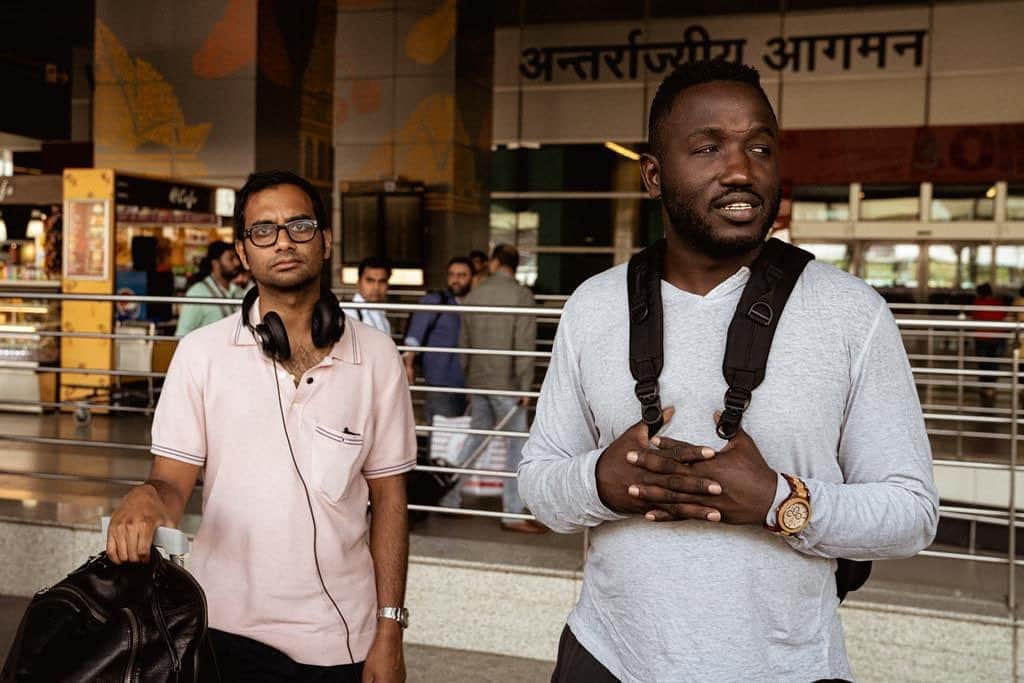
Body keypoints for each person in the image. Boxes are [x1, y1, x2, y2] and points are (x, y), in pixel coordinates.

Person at [519, 60, 939, 681]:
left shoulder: (853, 313)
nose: (741, 169)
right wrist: (598, 483)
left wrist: (779, 501)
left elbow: (911, 514)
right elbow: (539, 484)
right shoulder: (593, 304)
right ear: (654, 175)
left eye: (760, 146)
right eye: (708, 147)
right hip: (608, 658)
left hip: (790, 668)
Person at [106, 170, 414, 682]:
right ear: (244, 254)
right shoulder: (201, 355)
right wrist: (145, 496)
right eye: (263, 231)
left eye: (299, 225)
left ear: (326, 240)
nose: (283, 242)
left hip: (342, 635)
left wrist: (389, 630)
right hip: (222, 627)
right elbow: (171, 482)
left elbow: (389, 499)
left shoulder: (377, 356)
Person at [446, 244, 542, 533]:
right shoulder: (521, 296)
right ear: (514, 265)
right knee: (517, 447)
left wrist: (469, 378)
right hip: (507, 384)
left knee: (476, 441)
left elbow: (463, 345)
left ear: (495, 262)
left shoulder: (475, 295)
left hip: (479, 380)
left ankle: (449, 499)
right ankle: (512, 513)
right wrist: (526, 386)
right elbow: (524, 346)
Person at [402, 256, 474, 424]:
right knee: (442, 435)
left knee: (463, 437)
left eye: (462, 275)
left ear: (473, 278)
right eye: (452, 274)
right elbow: (414, 336)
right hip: (440, 382)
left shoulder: (476, 303)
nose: (456, 279)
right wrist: (408, 365)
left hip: (469, 384)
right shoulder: (435, 300)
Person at [174, 241, 243, 336]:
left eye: (236, 258)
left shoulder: (238, 291)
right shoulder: (197, 293)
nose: (237, 263)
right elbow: (182, 334)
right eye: (231, 259)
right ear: (215, 263)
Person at [972, 282, 1007, 407]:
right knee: (993, 363)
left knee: (983, 364)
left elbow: (974, 316)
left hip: (982, 338)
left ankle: (985, 387)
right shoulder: (998, 303)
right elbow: (1003, 316)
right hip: (997, 338)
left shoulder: (977, 303)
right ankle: (991, 388)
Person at [344, 256, 392, 336]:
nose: (376, 287)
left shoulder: (381, 313)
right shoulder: (348, 314)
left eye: (382, 281)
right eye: (370, 281)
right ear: (358, 282)